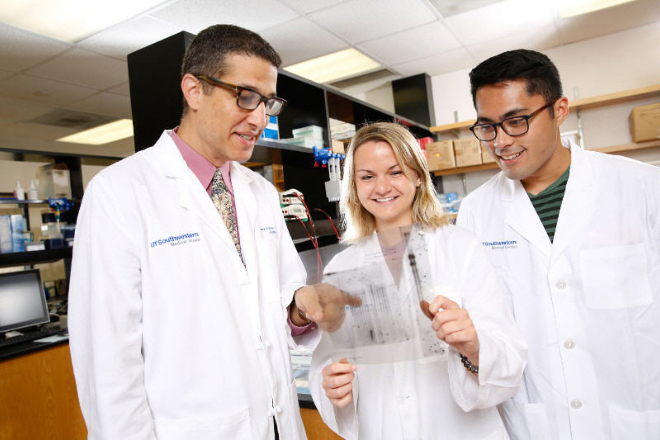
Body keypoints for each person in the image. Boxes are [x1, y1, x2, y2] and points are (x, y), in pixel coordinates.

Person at [68, 24, 338, 440]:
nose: (260, 117)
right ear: (194, 91)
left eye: (268, 102)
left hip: (277, 424)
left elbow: (278, 306)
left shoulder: (261, 193)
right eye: (246, 97)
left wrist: (301, 313)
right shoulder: (119, 193)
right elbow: (107, 361)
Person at [457, 49, 660, 440]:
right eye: (487, 127)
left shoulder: (643, 189)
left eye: (516, 121)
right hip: (537, 423)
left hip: (638, 417)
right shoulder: (475, 214)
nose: (500, 142)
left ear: (559, 109)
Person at [308, 122, 527, 439]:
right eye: (367, 176)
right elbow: (325, 363)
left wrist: (473, 345)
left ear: (417, 177)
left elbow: (509, 357)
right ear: (353, 187)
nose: (381, 187)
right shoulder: (342, 268)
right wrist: (333, 385)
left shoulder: (459, 247)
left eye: (395, 172)